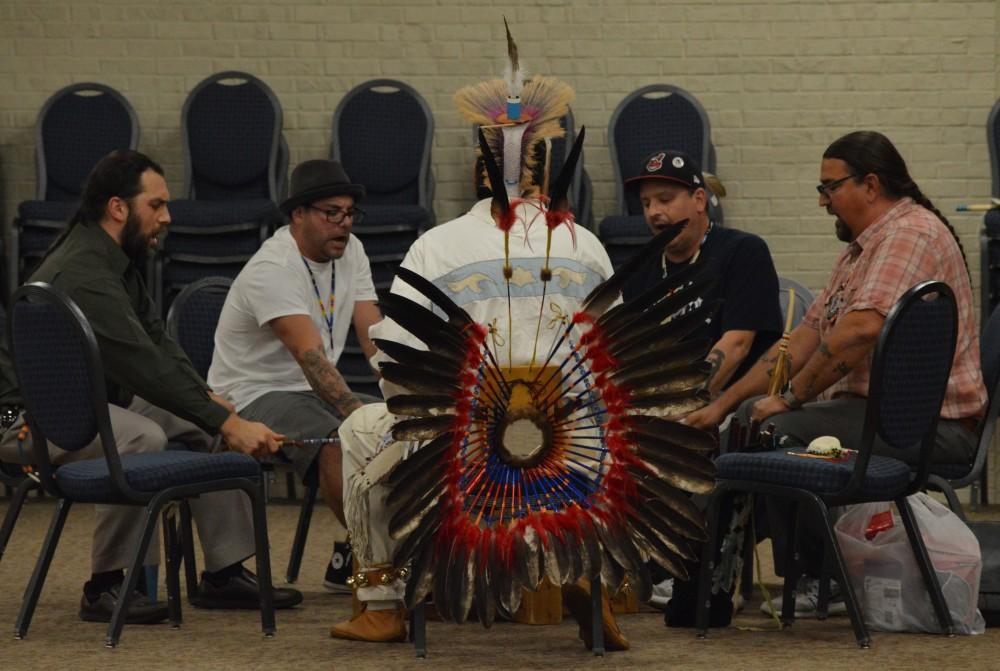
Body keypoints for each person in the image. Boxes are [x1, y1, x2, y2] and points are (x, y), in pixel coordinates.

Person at [685, 130, 988, 611]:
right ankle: (709, 572)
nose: (824, 201)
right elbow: (800, 341)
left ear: (870, 185)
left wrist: (788, 398)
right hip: (877, 414)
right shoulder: (859, 252)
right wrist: (720, 405)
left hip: (932, 427)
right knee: (745, 417)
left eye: (830, 188)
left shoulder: (909, 233)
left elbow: (859, 331)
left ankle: (813, 579)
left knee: (773, 429)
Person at [0, 150, 302, 624]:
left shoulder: (113, 257)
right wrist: (229, 420)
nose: (167, 216)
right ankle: (106, 585)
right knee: (141, 438)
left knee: (199, 425)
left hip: (91, 403)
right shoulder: (85, 273)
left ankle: (224, 572)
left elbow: (157, 341)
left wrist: (209, 403)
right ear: (118, 207)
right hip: (25, 420)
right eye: (156, 205)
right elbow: (141, 365)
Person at [208, 159, 381, 590]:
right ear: (298, 215)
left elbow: (373, 333)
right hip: (253, 395)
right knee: (343, 439)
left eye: (349, 213)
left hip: (311, 391)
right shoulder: (273, 269)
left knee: (409, 426)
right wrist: (361, 418)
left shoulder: (351, 251)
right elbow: (310, 357)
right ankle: (378, 560)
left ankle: (351, 555)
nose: (344, 224)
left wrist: (404, 393)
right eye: (331, 213)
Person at [622, 150, 783, 394]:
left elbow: (737, 345)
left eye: (664, 200)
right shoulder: (639, 269)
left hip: (731, 405)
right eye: (646, 203)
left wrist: (681, 405)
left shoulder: (743, 251)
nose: (653, 211)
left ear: (699, 199)